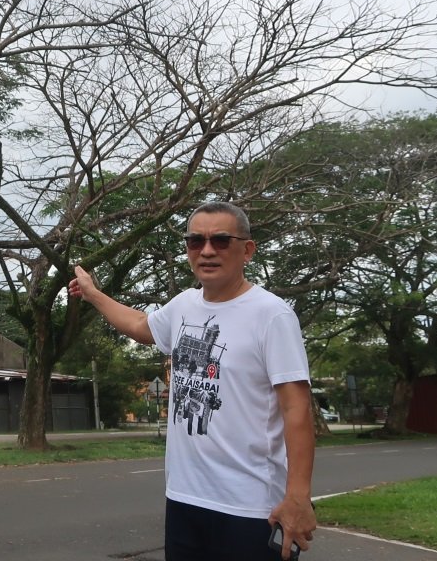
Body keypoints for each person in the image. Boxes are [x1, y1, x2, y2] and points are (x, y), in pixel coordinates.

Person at [69, 201, 316, 560]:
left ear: (247, 250)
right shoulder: (184, 305)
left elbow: (297, 409)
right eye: (195, 241)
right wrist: (93, 294)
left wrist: (297, 497)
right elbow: (141, 326)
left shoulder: (272, 315)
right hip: (184, 499)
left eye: (221, 240)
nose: (207, 250)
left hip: (249, 507)